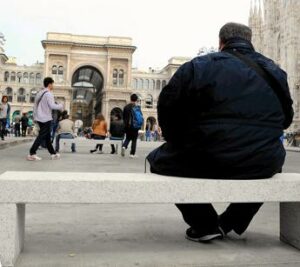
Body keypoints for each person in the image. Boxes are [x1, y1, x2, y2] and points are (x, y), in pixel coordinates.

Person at [147, 22, 294, 242]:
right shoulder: (275, 72)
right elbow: (287, 119)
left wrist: (177, 139)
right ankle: (229, 222)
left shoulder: (199, 66)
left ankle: (204, 223)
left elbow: (167, 108)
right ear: (250, 41)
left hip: (206, 156)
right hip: (261, 160)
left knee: (159, 160)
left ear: (220, 42)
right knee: (272, 161)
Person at [27, 77, 63, 161]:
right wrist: (61, 106)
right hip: (46, 118)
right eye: (53, 84)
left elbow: (35, 105)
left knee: (47, 137)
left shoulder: (40, 93)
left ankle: (53, 154)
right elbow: (52, 106)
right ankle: (32, 153)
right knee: (42, 136)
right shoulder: (49, 93)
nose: (53, 85)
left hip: (40, 117)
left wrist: (35, 116)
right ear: (50, 84)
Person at [122, 94, 144, 158]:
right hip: (135, 126)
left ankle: (124, 146)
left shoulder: (126, 107)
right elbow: (141, 116)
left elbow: (123, 117)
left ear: (130, 98)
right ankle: (132, 154)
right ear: (136, 99)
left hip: (127, 126)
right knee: (134, 139)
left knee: (128, 138)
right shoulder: (137, 107)